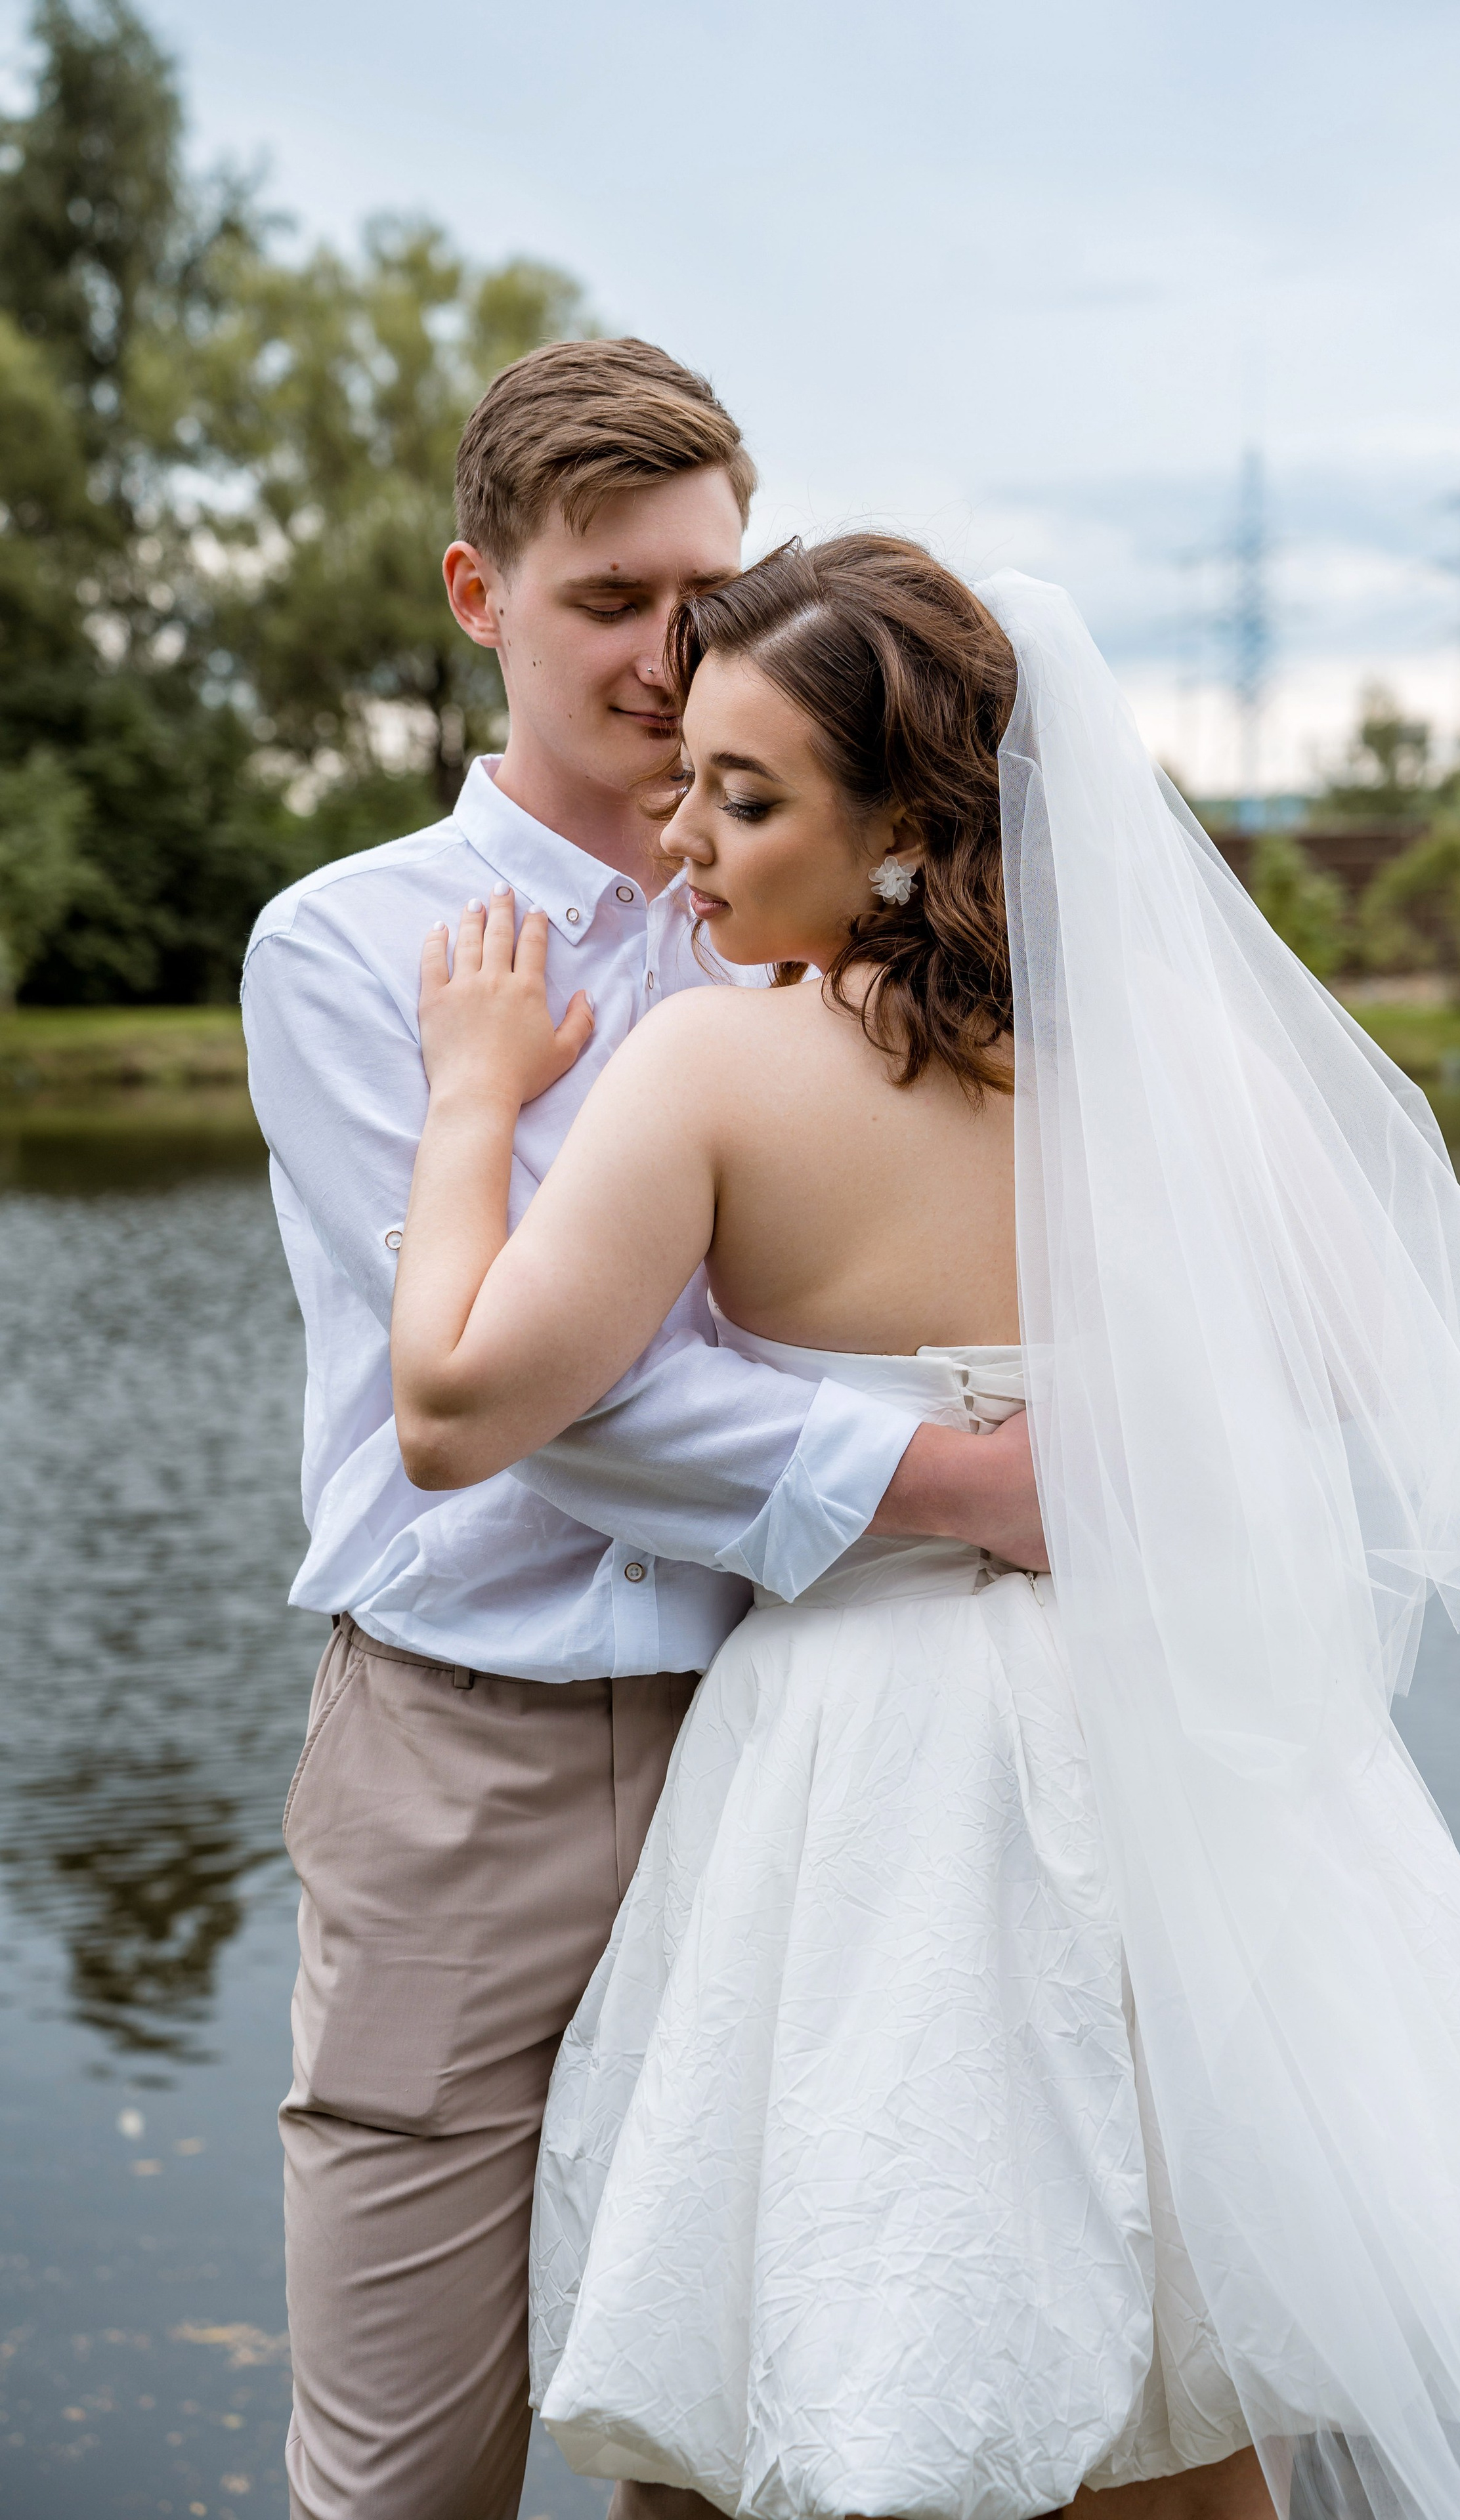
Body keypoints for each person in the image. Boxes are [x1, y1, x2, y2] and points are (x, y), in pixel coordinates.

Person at [389, 533, 1460, 2520]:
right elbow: (1359, 1362)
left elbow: (459, 1406)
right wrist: (1085, 1413)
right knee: (1197, 2368)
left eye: (748, 798)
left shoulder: (719, 1063)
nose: (691, 847)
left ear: (906, 826)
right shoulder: (1158, 1067)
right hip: (1167, 1743)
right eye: (688, 788)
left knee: (791, 2382)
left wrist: (471, 1100)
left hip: (872, 1751)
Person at [241, 349, 1046, 2520]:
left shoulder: (829, 943)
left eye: (709, 589)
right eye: (608, 598)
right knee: (409, 2465)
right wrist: (952, 1476)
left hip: (796, 1735)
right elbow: (541, 1402)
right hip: (468, 1756)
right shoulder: (355, 952)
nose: (666, 649)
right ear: (477, 594)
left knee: (743, 2420)